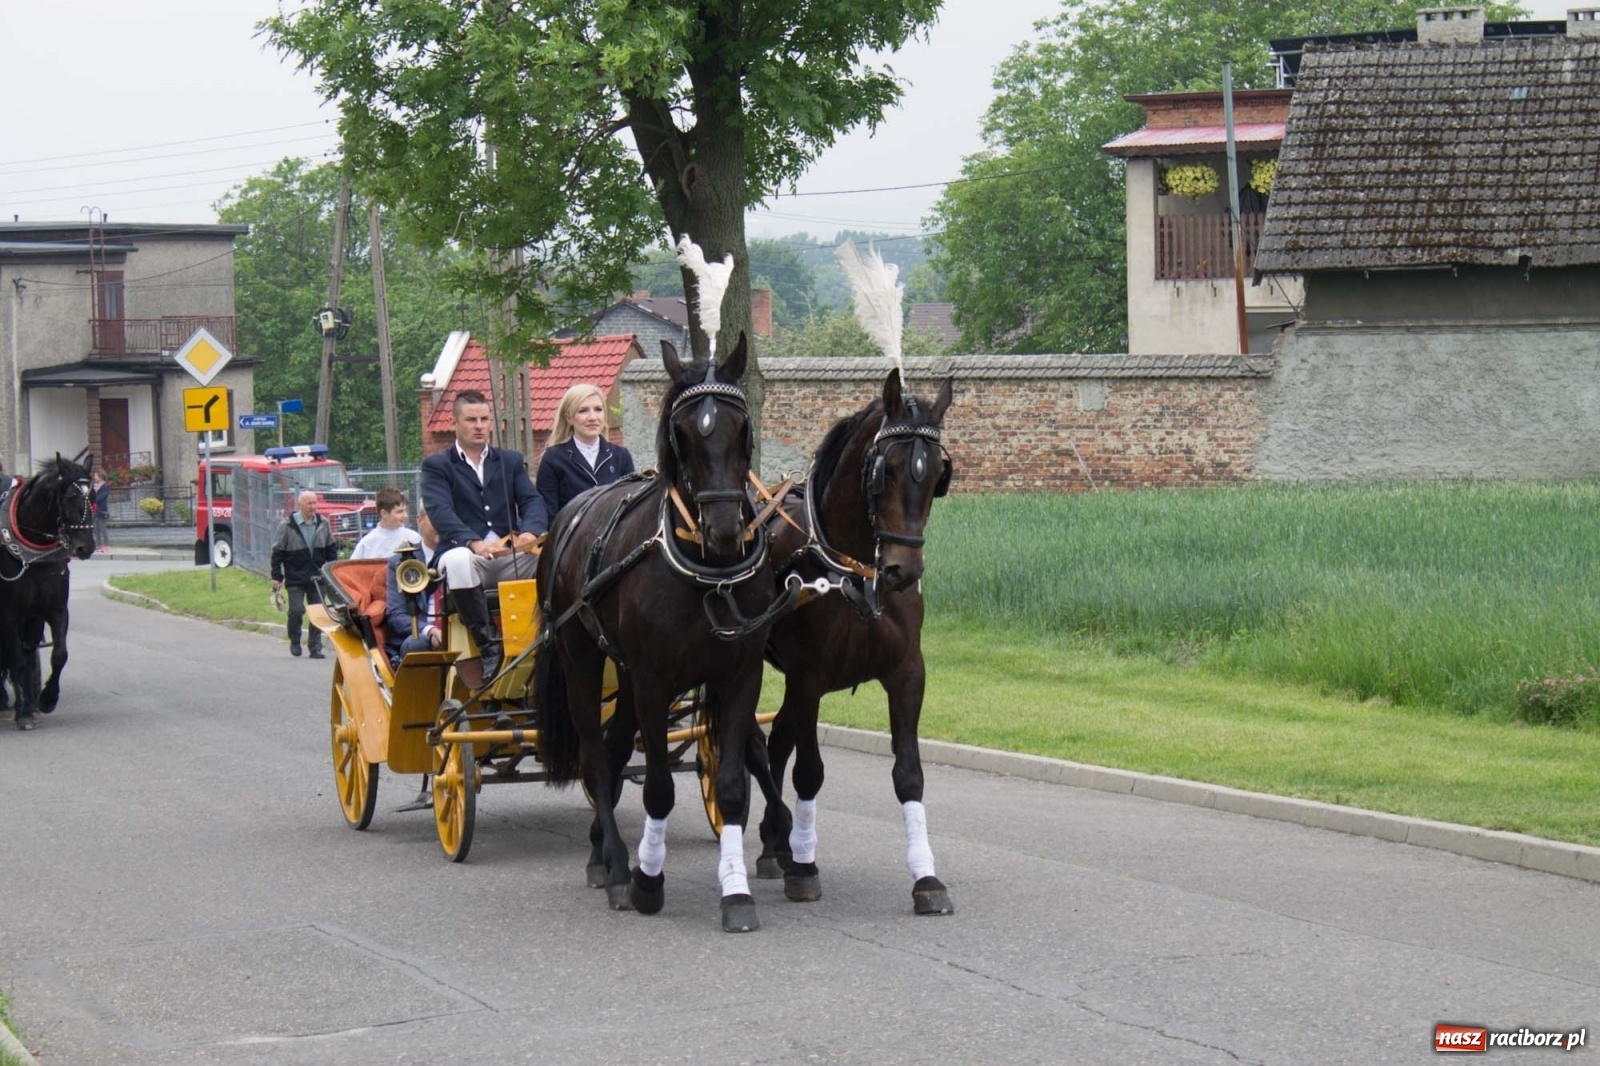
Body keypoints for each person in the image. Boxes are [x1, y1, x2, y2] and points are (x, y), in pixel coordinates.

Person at [420, 389, 546, 680]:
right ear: (455, 423)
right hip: (463, 557)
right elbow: (440, 511)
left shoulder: (509, 461)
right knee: (459, 560)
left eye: (485, 419)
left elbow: (532, 500)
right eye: (471, 419)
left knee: (551, 557)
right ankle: (488, 647)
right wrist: (472, 542)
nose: (479, 425)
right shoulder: (437, 465)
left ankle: (547, 636)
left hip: (508, 556)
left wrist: (529, 532)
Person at [535, 383, 636, 519]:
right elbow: (548, 512)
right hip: (571, 536)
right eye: (583, 411)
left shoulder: (621, 456)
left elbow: (631, 506)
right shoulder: (554, 458)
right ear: (568, 417)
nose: (593, 417)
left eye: (598, 409)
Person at [270, 490, 338, 659]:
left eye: (315, 503)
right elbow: (277, 552)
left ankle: (315, 647)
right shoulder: (286, 525)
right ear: (300, 505)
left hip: (318, 577)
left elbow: (331, 550)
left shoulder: (323, 523)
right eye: (309, 503)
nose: (313, 507)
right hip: (295, 577)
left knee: (318, 613)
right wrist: (277, 576)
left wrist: (332, 572)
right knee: (297, 610)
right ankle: (295, 640)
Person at [383, 507, 442, 669]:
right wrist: (429, 630)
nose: (441, 523)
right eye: (435, 516)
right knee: (416, 644)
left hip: (457, 630)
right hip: (420, 636)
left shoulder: (464, 557)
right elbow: (396, 616)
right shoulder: (399, 563)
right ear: (420, 520)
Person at [351, 487, 422, 560]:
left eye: (405, 511)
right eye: (400, 512)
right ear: (384, 513)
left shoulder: (414, 538)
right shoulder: (367, 544)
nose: (406, 516)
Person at [90, 472, 111, 553]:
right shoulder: (94, 486)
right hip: (94, 509)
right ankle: (98, 545)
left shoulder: (105, 486)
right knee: (96, 529)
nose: (94, 477)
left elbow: (101, 497)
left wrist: (93, 499)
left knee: (103, 529)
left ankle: (106, 546)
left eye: (95, 476)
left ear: (100, 476)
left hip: (102, 510)